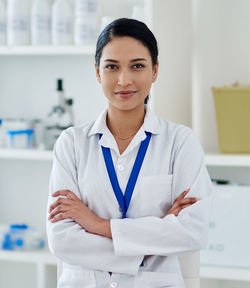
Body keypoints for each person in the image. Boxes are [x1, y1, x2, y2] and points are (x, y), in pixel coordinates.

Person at [47, 18, 213, 288]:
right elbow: (63, 240)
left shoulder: (180, 142)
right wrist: (156, 236)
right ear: (98, 72)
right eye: (112, 67)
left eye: (137, 66)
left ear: (155, 70)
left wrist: (96, 224)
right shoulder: (71, 144)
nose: (124, 80)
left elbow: (192, 233)